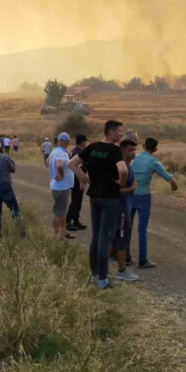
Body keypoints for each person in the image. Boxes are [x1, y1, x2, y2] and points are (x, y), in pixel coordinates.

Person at [68, 120, 128, 289]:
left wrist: (84, 178)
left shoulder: (92, 147)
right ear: (111, 132)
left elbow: (71, 163)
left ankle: (94, 275)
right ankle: (102, 279)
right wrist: (121, 183)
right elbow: (123, 170)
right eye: (119, 131)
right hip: (110, 197)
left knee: (96, 236)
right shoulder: (115, 151)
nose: (121, 134)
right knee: (105, 237)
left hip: (94, 196)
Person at [129, 137, 178, 268]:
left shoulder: (134, 158)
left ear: (143, 145)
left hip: (131, 195)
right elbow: (167, 176)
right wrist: (174, 184)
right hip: (144, 196)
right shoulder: (153, 162)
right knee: (142, 229)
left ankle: (126, 256)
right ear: (155, 149)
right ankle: (142, 259)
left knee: (127, 226)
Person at [113, 139, 139, 282]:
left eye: (134, 149)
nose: (133, 152)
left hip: (126, 207)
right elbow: (115, 190)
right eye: (130, 150)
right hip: (121, 208)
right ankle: (121, 271)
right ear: (122, 150)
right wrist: (131, 188)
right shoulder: (121, 168)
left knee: (120, 237)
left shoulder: (129, 166)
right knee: (122, 238)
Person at [49, 132, 76, 240]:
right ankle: (56, 235)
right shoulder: (60, 153)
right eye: (65, 141)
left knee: (62, 211)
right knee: (58, 212)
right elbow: (59, 164)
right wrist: (61, 175)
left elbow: (47, 163)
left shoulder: (55, 151)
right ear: (62, 141)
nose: (66, 143)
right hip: (60, 187)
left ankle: (63, 231)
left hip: (60, 186)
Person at [66, 134, 89, 232]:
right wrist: (81, 182)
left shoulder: (75, 151)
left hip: (76, 179)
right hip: (76, 180)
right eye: (85, 141)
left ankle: (76, 220)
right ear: (82, 142)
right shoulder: (78, 152)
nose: (86, 143)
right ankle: (68, 222)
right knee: (75, 201)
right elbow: (78, 168)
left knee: (78, 201)